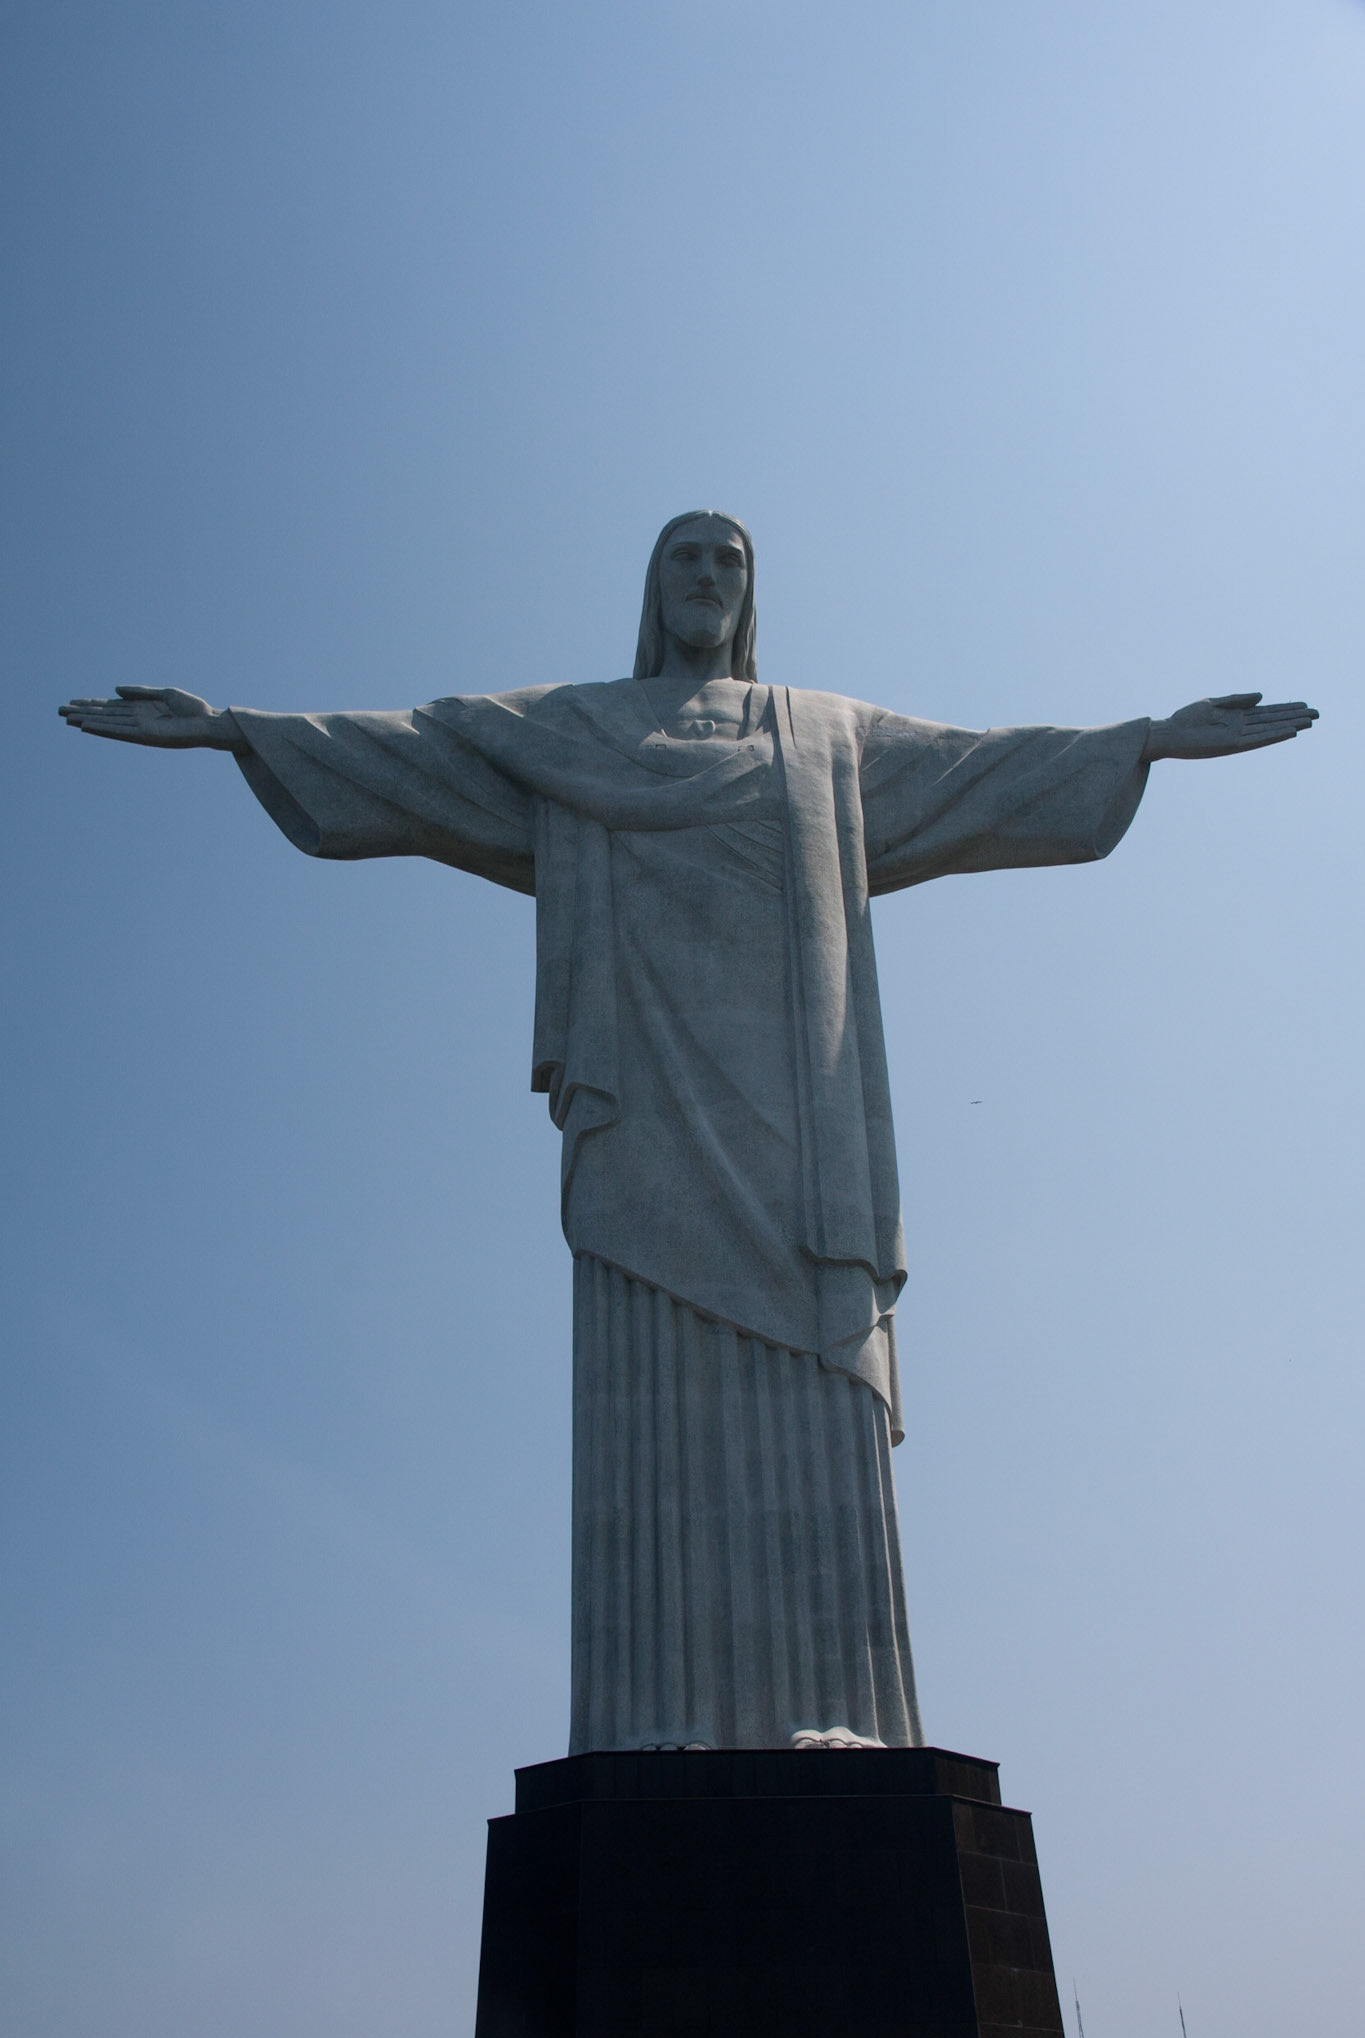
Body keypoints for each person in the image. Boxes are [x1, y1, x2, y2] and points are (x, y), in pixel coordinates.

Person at [60, 510, 1318, 1753]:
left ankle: (841, 1710)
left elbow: (982, 767)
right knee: (655, 1400)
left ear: (750, 591)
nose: (708, 576)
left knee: (811, 1390)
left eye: (730, 560)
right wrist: (234, 728)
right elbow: (417, 750)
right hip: (646, 1108)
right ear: (652, 584)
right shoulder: (572, 729)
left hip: (801, 1115)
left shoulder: (822, 733)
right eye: (686, 556)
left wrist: (1144, 741)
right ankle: (650, 1716)